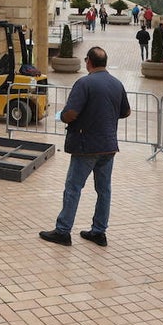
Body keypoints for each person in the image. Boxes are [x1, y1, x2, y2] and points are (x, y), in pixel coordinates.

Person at [39, 46, 132, 247]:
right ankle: (99, 232)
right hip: (108, 145)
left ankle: (63, 231)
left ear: (89, 61)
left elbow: (71, 112)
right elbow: (126, 112)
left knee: (73, 188)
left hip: (86, 145)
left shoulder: (84, 83)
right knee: (104, 190)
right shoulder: (117, 84)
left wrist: (63, 117)